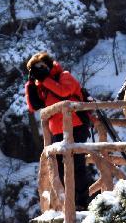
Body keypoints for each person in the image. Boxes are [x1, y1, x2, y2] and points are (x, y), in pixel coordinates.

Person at [24, 52, 92, 209]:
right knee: (61, 167)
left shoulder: (64, 75)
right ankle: (69, 203)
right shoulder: (42, 84)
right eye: (35, 68)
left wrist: (44, 79)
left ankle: (81, 203)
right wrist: (30, 84)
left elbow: (64, 92)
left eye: (42, 66)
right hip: (58, 130)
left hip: (76, 124)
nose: (39, 70)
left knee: (77, 164)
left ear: (49, 65)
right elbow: (34, 106)